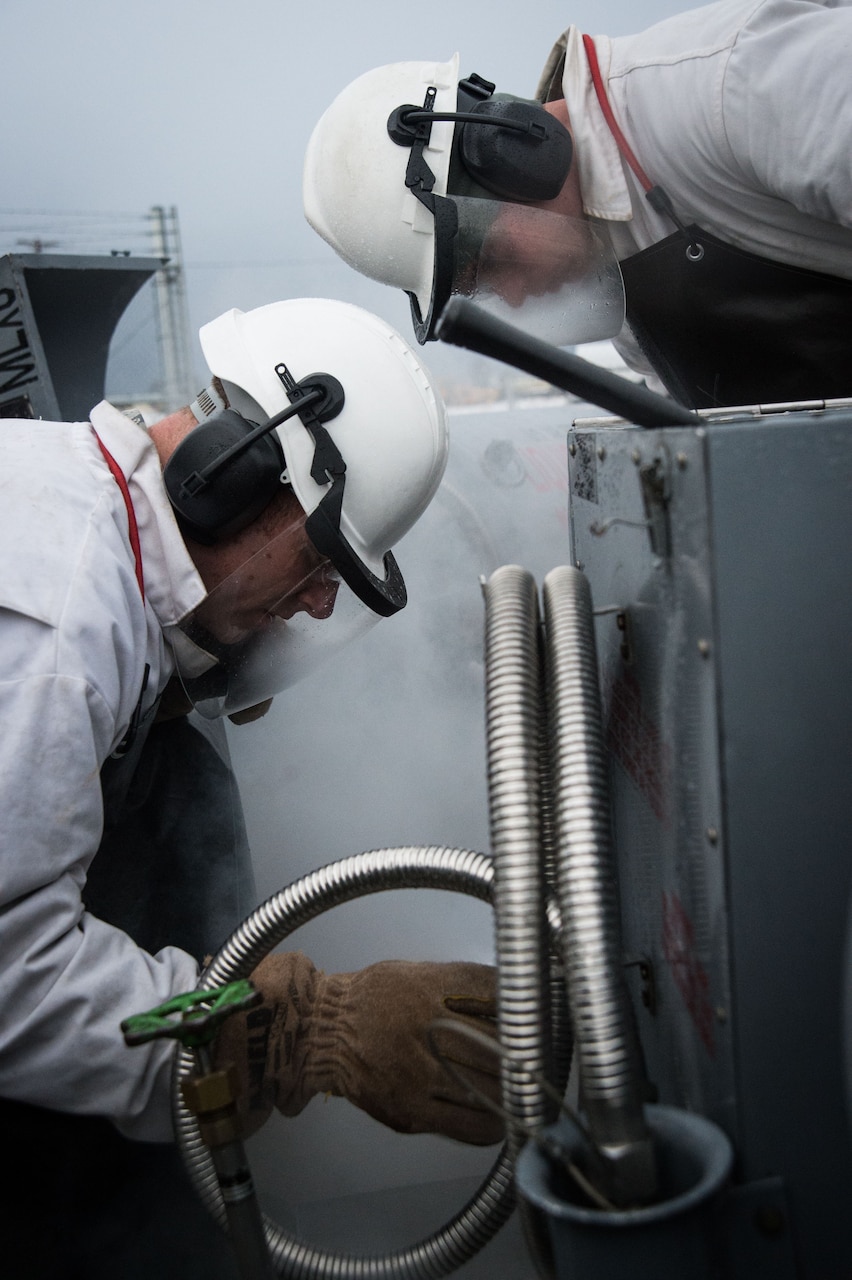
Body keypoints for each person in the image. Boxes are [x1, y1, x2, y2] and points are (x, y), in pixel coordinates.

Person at [0, 296, 501, 1278]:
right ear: (229, 471)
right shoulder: (64, 625)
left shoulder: (93, 532)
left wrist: (182, 679)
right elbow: (10, 974)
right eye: (319, 561)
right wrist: (304, 1033)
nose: (319, 601)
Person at [302, 0, 852, 409]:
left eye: (489, 263)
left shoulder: (724, 89)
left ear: (511, 151)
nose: (513, 299)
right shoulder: (622, 276)